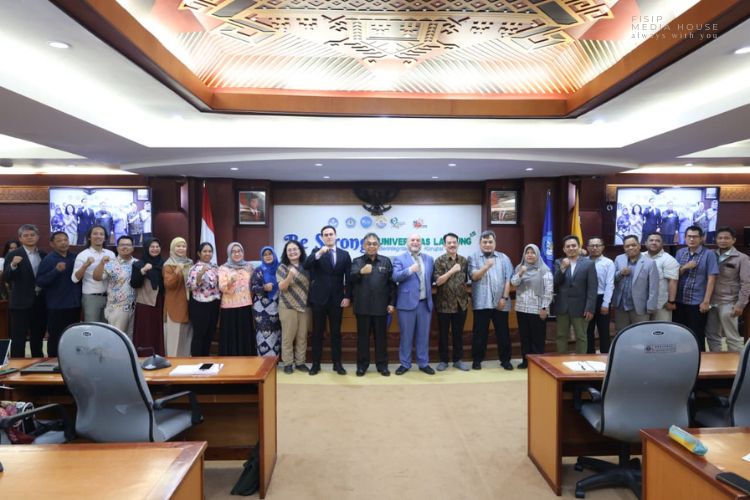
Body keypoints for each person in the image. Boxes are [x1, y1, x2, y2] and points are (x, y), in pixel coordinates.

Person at [304, 225, 352, 376]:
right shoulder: (316, 252)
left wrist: (347, 296)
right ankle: (315, 364)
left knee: (336, 333)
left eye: (331, 234)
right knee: (317, 333)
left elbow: (348, 278)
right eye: (326, 235)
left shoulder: (345, 254)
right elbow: (306, 265)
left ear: (336, 236)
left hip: (337, 300)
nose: (329, 237)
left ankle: (337, 364)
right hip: (318, 299)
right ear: (322, 237)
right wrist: (319, 253)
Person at [350, 233, 396, 376]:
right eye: (368, 243)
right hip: (362, 307)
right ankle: (362, 366)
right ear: (364, 246)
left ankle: (382, 365)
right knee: (363, 339)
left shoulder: (386, 261)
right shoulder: (357, 261)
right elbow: (351, 279)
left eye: (374, 243)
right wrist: (361, 272)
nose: (371, 246)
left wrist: (392, 303)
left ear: (379, 245)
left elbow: (392, 285)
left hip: (381, 308)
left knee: (381, 339)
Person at [468, 230, 513, 370]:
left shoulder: (504, 258)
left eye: (490, 242)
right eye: (484, 242)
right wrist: (486, 266)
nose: (487, 244)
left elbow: (508, 280)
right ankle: (477, 360)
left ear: (495, 243)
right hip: (481, 303)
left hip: (501, 303)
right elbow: (474, 276)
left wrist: (504, 298)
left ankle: (505, 360)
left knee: (503, 333)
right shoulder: (473, 257)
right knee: (479, 334)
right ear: (480, 243)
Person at [393, 233, 435, 375]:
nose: (415, 242)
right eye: (412, 240)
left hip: (425, 304)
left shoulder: (429, 259)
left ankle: (423, 363)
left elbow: (431, 279)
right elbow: (395, 277)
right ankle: (405, 364)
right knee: (406, 336)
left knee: (423, 336)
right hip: (406, 304)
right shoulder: (399, 258)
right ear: (407, 243)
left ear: (421, 243)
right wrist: (410, 270)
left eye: (418, 240)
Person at [3, 224, 47, 357]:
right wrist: (13, 265)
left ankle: (38, 363)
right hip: (20, 302)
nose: (29, 237)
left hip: (40, 302)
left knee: (37, 336)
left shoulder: (43, 254)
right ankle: (17, 364)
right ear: (20, 238)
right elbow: (6, 277)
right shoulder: (13, 254)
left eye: (32, 235)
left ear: (38, 237)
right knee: (19, 337)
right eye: (26, 235)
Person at [674, 225, 719, 351]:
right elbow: (674, 275)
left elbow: (712, 278)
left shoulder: (709, 254)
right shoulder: (680, 252)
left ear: (701, 238)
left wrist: (706, 301)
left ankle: (700, 360)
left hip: (697, 302)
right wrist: (685, 267)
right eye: (689, 236)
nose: (692, 239)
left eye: (695, 237)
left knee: (697, 335)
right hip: (679, 300)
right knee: (680, 334)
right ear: (685, 238)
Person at [36, 231, 81, 357]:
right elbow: (40, 281)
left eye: (65, 240)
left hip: (75, 304)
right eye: (59, 241)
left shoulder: (75, 257)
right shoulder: (49, 259)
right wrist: (56, 271)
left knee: (72, 336)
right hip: (57, 306)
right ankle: (53, 361)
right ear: (52, 244)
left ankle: (71, 360)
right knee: (56, 337)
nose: (63, 243)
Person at [706, 227, 750, 352]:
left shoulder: (742, 258)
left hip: (729, 302)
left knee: (732, 337)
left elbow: (746, 283)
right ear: (716, 239)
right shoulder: (710, 254)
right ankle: (717, 361)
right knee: (712, 335)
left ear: (733, 240)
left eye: (726, 238)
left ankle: (736, 363)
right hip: (711, 301)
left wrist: (740, 305)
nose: (723, 240)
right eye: (720, 238)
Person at [432, 232, 470, 371]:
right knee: (443, 335)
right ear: (444, 245)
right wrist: (452, 271)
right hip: (444, 304)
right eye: (449, 243)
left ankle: (457, 360)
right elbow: (438, 281)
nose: (452, 245)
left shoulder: (464, 261)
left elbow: (465, 281)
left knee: (458, 334)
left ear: (458, 244)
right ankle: (443, 360)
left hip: (461, 304)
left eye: (454, 242)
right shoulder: (439, 261)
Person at [510, 244, 552, 368]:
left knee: (537, 338)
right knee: (525, 337)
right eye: (527, 252)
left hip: (538, 309)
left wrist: (544, 308)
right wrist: (520, 273)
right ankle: (525, 361)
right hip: (521, 308)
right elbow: (514, 283)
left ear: (537, 254)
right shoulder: (519, 268)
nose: (529, 255)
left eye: (532, 252)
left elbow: (549, 291)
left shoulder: (544, 269)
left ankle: (537, 363)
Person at [554, 235, 597, 354]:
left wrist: (590, 308)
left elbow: (592, 288)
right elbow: (555, 283)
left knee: (581, 336)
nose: (571, 248)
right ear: (564, 249)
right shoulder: (559, 262)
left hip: (581, 307)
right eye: (568, 246)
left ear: (579, 247)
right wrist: (562, 268)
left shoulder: (588, 264)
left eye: (574, 245)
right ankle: (561, 361)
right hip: (562, 306)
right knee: (561, 336)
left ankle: (580, 361)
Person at [612, 234, 660, 331]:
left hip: (640, 307)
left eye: (633, 245)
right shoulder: (618, 259)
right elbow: (612, 279)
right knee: (621, 333)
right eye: (627, 246)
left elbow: (653, 288)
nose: (630, 248)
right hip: (621, 306)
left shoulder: (650, 263)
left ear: (639, 246)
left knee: (640, 334)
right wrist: (621, 273)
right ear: (624, 248)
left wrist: (651, 306)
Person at [93, 235, 137, 338]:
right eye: (122, 245)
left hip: (135, 308)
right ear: (117, 248)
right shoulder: (110, 263)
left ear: (132, 248)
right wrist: (101, 263)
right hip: (117, 308)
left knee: (131, 339)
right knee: (117, 338)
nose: (125, 247)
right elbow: (97, 277)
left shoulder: (138, 263)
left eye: (128, 245)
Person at [276, 240, 310, 374]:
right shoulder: (282, 267)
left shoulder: (306, 266)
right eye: (289, 250)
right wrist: (290, 275)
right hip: (287, 306)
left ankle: (300, 362)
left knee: (302, 336)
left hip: (304, 306)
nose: (292, 252)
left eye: (295, 249)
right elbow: (282, 287)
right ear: (286, 253)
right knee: (288, 337)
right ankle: (288, 363)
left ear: (300, 251)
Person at [71, 225, 115, 322]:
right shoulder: (83, 255)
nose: (98, 236)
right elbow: (74, 279)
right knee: (92, 327)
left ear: (105, 238)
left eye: (101, 234)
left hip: (109, 297)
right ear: (89, 237)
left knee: (106, 327)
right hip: (91, 297)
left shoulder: (111, 254)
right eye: (95, 234)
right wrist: (85, 265)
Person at [131, 238, 166, 356]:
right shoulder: (138, 264)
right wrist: (143, 271)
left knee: (159, 330)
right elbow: (134, 284)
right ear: (146, 248)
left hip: (161, 302)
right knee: (145, 330)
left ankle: (159, 355)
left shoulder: (164, 264)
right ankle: (144, 356)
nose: (155, 249)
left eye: (157, 247)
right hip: (145, 303)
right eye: (152, 247)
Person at [218, 242, 255, 356]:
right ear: (229, 253)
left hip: (246, 305)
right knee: (231, 335)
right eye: (233, 252)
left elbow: (253, 284)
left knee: (245, 333)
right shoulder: (224, 268)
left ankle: (247, 359)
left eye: (239, 251)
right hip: (229, 306)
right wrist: (230, 282)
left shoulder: (249, 267)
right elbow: (222, 287)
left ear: (243, 252)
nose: (237, 254)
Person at [187, 242, 221, 357]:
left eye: (210, 251)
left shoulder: (215, 267)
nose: (207, 253)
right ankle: (196, 360)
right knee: (199, 334)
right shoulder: (194, 268)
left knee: (210, 333)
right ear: (199, 253)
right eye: (205, 251)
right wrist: (200, 274)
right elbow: (191, 287)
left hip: (213, 304)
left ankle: (205, 359)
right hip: (199, 305)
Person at [163, 237, 193, 357]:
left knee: (187, 339)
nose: (181, 248)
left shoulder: (190, 263)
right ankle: (174, 364)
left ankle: (185, 364)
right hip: (175, 306)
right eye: (178, 246)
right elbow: (169, 284)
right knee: (174, 341)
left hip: (189, 306)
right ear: (172, 248)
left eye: (183, 246)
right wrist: (177, 271)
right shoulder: (169, 265)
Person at [584, 237, 615, 354]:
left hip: (602, 298)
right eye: (592, 245)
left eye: (597, 245)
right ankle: (589, 356)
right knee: (588, 330)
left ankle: (605, 357)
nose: (595, 248)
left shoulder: (608, 263)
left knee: (603, 331)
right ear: (587, 248)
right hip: (587, 299)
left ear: (603, 247)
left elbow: (610, 284)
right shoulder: (583, 261)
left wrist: (606, 303)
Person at [251, 246, 282, 357]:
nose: (268, 256)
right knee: (263, 333)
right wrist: (264, 288)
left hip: (278, 305)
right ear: (262, 257)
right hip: (261, 308)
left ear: (274, 255)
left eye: (270, 253)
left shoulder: (280, 269)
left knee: (276, 332)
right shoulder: (258, 270)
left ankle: (274, 361)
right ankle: (263, 361)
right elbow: (253, 287)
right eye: (265, 254)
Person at [643, 232, 679, 321]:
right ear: (646, 243)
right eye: (651, 240)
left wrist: (671, 302)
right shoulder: (640, 257)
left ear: (662, 244)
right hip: (642, 303)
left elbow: (673, 281)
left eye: (657, 241)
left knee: (661, 328)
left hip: (661, 304)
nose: (654, 243)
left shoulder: (669, 259)